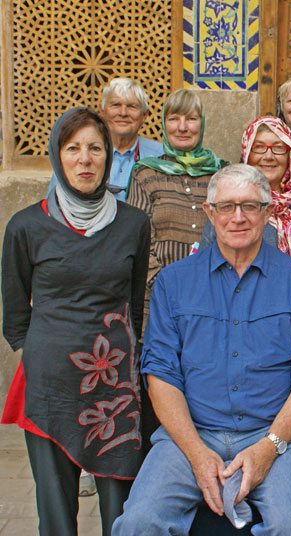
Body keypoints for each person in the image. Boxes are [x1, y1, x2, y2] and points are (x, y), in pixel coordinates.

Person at [112, 164, 291, 535]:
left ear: (267, 213)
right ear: (209, 213)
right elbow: (160, 374)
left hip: (275, 434)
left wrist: (268, 448)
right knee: (138, 522)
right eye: (226, 206)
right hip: (191, 434)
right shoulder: (174, 282)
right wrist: (197, 455)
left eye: (250, 206)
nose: (238, 217)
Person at [2, 107, 150, 535]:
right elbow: (14, 315)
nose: (85, 159)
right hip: (49, 382)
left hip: (115, 386)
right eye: (73, 149)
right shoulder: (27, 226)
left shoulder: (133, 224)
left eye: (95, 149)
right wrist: (43, 353)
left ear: (108, 157)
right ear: (57, 156)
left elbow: (133, 304)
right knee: (55, 507)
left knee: (120, 501)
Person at [199, 116, 291, 286]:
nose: (268, 156)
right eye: (259, 148)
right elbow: (204, 265)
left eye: (278, 148)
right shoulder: (228, 203)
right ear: (247, 153)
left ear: (290, 154)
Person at [127, 88, 224, 315]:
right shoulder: (146, 175)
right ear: (163, 123)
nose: (182, 127)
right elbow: (137, 240)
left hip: (213, 298)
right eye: (174, 119)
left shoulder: (221, 174)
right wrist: (167, 286)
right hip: (159, 298)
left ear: (201, 124)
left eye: (191, 119)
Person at [46, 78, 163, 202]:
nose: (123, 113)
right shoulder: (79, 156)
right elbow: (53, 204)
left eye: (132, 106)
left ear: (144, 115)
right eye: (116, 105)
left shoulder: (160, 156)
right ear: (102, 111)